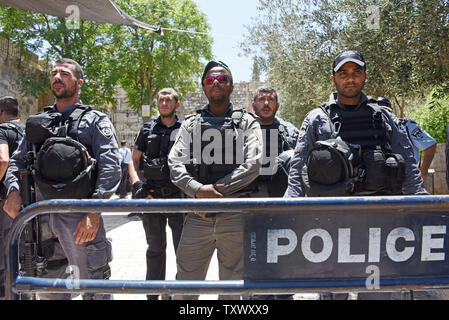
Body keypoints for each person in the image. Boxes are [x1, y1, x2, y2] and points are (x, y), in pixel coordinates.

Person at [284, 50, 427, 300]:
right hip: (330, 218)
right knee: (332, 290)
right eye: (343, 73)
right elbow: (297, 167)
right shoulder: (317, 118)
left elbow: (409, 165)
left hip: (378, 217)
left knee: (375, 291)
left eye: (356, 72)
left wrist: (424, 205)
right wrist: (286, 209)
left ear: (364, 76)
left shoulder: (383, 117)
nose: (350, 79)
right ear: (334, 78)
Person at [3, 58, 121, 300]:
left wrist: (93, 211)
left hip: (80, 216)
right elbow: (17, 161)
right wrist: (13, 191)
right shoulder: (37, 122)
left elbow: (111, 166)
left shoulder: (95, 120)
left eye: (64, 73)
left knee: (94, 288)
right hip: (40, 217)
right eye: (54, 73)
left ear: (78, 83)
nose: (57, 77)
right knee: (49, 292)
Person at [168, 60, 263, 300]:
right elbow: (175, 163)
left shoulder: (247, 122)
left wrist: (214, 194)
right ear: (203, 87)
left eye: (222, 79)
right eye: (210, 80)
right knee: (185, 286)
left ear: (231, 86)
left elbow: (253, 164)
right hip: (197, 215)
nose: (216, 83)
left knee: (232, 289)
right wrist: (198, 191)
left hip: (234, 214)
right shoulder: (190, 124)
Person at [128, 88, 184, 300]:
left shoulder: (186, 129)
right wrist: (136, 185)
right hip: (152, 197)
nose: (164, 103)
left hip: (179, 198)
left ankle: (180, 295)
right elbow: (133, 160)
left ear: (176, 104)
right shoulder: (147, 129)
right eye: (161, 100)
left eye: (168, 100)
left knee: (183, 251)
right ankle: (154, 294)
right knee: (155, 249)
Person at [251, 85, 299, 198]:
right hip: (249, 197)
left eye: (271, 99)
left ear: (277, 105)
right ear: (253, 106)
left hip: (282, 198)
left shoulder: (290, 132)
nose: (266, 103)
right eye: (261, 99)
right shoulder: (242, 131)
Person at [377, 97, 437, 181]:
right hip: (381, 178)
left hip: (408, 176)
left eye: (384, 106)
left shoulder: (407, 126)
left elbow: (430, 145)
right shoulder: (369, 128)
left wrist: (423, 170)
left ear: (391, 109)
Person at [0, 96, 24, 299]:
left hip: (5, 200)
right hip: (25, 198)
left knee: (5, 251)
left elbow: (3, 159)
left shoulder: (1, 130)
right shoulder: (25, 131)